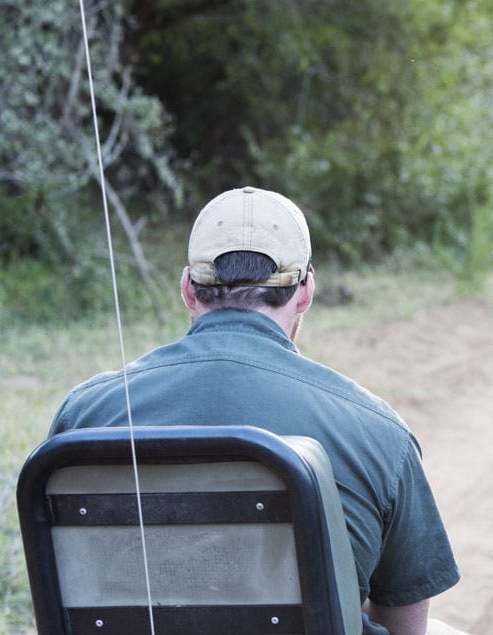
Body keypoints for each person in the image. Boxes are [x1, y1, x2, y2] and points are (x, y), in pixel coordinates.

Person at [49, 186, 461, 635]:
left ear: (188, 288)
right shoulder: (379, 432)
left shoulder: (84, 415)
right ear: (305, 291)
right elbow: (405, 624)